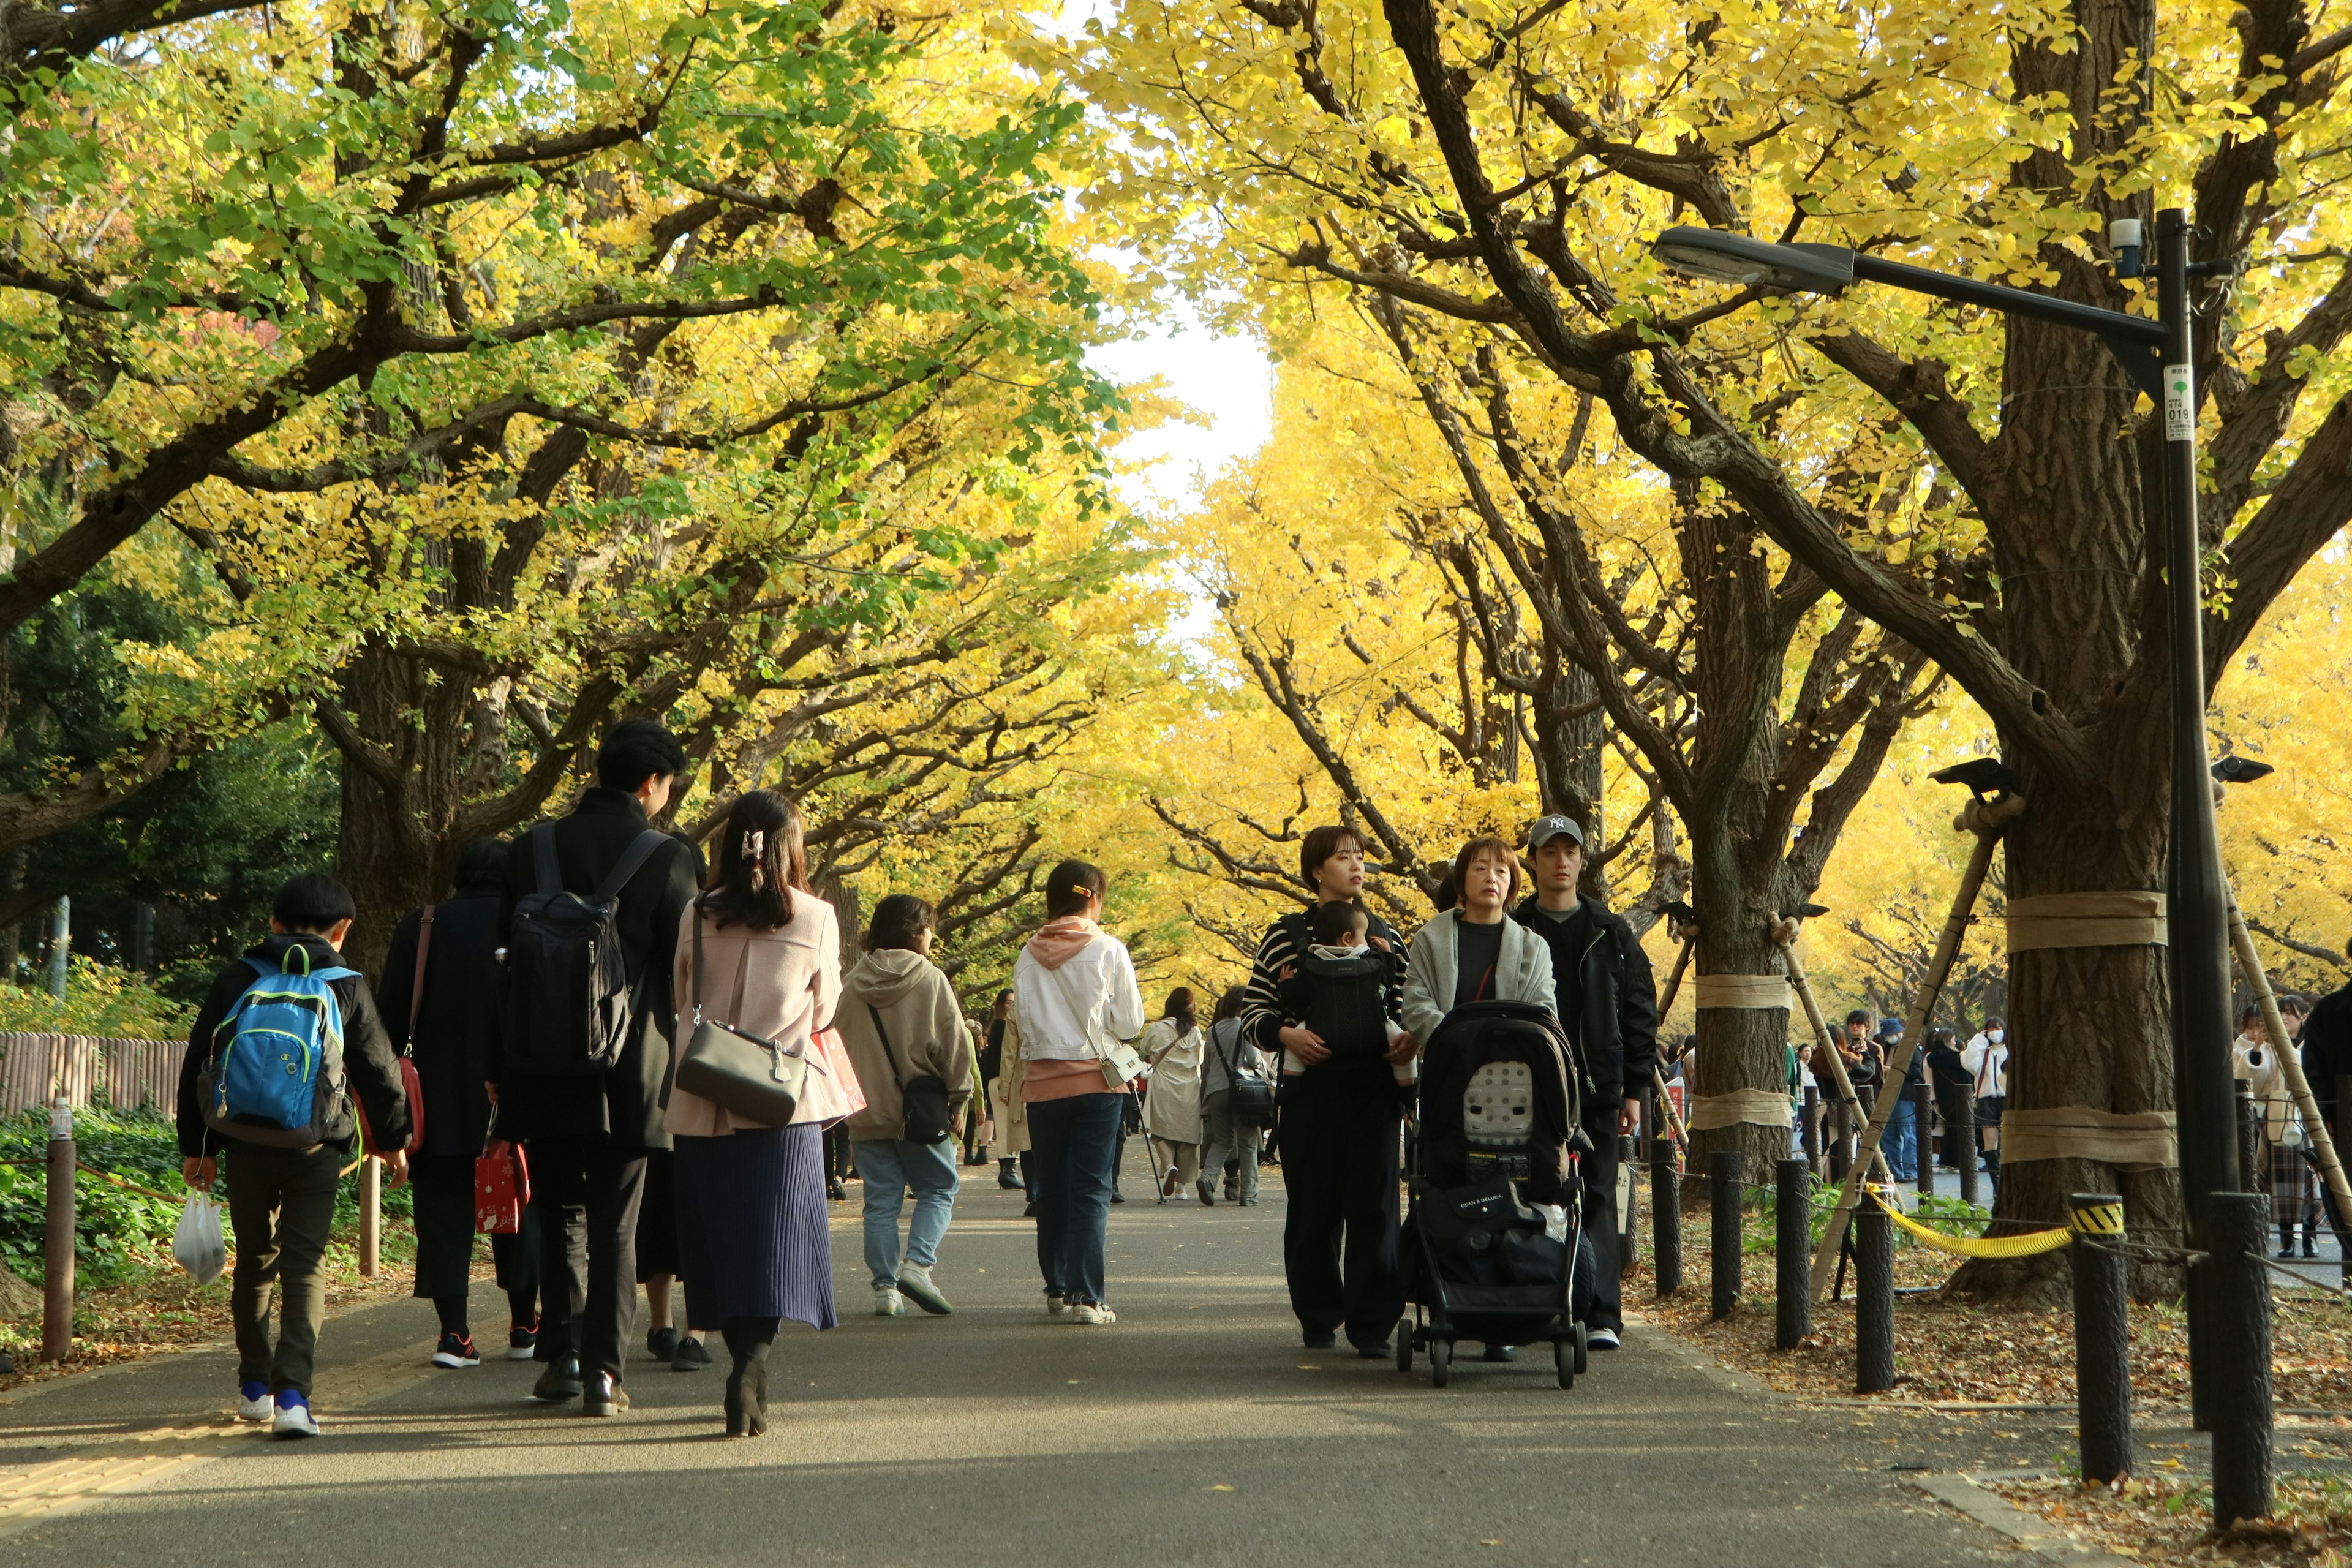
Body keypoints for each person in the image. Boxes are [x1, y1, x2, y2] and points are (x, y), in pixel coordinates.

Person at [491, 719, 701, 1417]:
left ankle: (560, 1354)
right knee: (618, 1221)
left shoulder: (531, 849)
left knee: (559, 1210)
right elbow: (683, 970)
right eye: (667, 786)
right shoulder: (668, 857)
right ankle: (605, 1374)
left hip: (542, 1060)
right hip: (630, 1066)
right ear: (651, 783)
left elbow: (506, 961)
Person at [177, 873, 413, 1439]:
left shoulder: (239, 976)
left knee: (255, 1259)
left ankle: (254, 1387)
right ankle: (292, 1399)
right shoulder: (346, 984)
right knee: (304, 1265)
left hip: (243, 1142)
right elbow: (379, 1072)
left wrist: (197, 1149)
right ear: (343, 929)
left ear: (274, 924)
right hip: (315, 1145)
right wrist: (394, 1141)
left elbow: (198, 1063)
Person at [666, 788, 850, 1437]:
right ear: (791, 847)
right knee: (773, 1242)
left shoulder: (696, 913)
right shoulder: (817, 917)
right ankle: (752, 1363)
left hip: (703, 1097)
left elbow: (681, 995)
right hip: (781, 1100)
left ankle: (737, 1352)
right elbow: (824, 1009)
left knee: (720, 1240)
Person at [1243, 825, 1414, 1356]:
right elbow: (1254, 1012)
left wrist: (1407, 1043)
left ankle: (1372, 1326)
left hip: (1374, 1090)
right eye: (1344, 858)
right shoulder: (1283, 934)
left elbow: (1410, 1003)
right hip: (1309, 1091)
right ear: (1318, 870)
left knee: (1377, 1210)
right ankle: (1317, 1316)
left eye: (1361, 858)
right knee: (1313, 1209)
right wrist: (1286, 1034)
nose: (1357, 867)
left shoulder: (1387, 934)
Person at [376, 838, 546, 1371]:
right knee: (518, 1210)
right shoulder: (528, 924)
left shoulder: (421, 927)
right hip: (515, 1098)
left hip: (440, 1100)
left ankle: (455, 1336)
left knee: (443, 1217)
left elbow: (390, 1021)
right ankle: (525, 1325)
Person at [1508, 813, 1657, 1355]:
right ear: (1534, 861)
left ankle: (1601, 1314)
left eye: (1570, 852)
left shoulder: (1611, 931)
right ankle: (1529, 1307)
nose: (1561, 861)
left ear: (1582, 861)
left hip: (1597, 1086)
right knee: (1526, 1192)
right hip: (1528, 1087)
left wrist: (1635, 1089)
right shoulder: (1515, 928)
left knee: (1597, 1197)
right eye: (1550, 852)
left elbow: (1639, 1010)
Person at [1016, 859, 1146, 1324]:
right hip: (1096, 1083)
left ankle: (1056, 1287)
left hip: (1043, 1086)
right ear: (1092, 897)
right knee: (1091, 1190)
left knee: (1049, 1187)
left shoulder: (1027, 955)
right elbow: (1129, 1023)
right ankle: (1087, 1297)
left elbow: (1023, 1022)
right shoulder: (1109, 949)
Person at [838, 892, 972, 1317]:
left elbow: (836, 1046)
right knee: (938, 1188)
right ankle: (917, 1266)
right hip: (921, 1111)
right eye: (929, 927)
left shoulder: (852, 984)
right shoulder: (929, 980)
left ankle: (884, 1290)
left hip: (867, 1110)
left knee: (880, 1201)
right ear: (916, 932)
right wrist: (960, 1096)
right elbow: (952, 1046)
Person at [1199, 986, 1270, 1206]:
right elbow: (1254, 1058)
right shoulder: (1246, 1026)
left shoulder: (1213, 1031)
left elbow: (1207, 1067)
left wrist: (1204, 1099)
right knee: (1248, 1143)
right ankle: (1248, 1193)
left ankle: (1207, 1179)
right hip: (1243, 1092)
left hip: (1217, 1091)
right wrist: (1269, 1075)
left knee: (1222, 1141)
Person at [1140, 989, 1207, 1199]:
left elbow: (1145, 1048)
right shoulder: (1195, 1032)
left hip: (1164, 1085)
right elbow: (1201, 1057)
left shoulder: (1157, 1029)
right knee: (1188, 1136)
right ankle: (1181, 1188)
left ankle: (1169, 1165)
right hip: (1189, 1087)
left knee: (1161, 1132)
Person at [979, 991, 1024, 1191]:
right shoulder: (1002, 1026)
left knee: (1008, 1125)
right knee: (1008, 1126)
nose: (1011, 1007)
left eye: (1014, 1003)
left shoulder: (999, 1026)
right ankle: (1008, 1170)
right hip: (1001, 1080)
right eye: (1008, 1003)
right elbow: (1007, 1057)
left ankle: (1008, 1170)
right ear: (1000, 1005)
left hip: (1001, 1080)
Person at [1961, 1017, 2008, 1183]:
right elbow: (1968, 1064)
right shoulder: (1983, 1052)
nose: (1995, 1032)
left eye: (1998, 1028)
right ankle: (1997, 1182)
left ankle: (2008, 1180)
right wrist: (1979, 1040)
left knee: (2009, 1143)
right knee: (1990, 1145)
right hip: (1986, 1101)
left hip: (2007, 1101)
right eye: (1990, 1029)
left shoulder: (2010, 1051)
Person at [1875, 1017, 1919, 1182]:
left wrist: (1894, 1070)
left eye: (1893, 1033)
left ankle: (1911, 1171)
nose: (1890, 1036)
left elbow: (1917, 1072)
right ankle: (1895, 1171)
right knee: (1888, 1136)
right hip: (1886, 1096)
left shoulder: (1911, 1048)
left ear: (1900, 1031)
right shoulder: (1884, 1048)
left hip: (1905, 1095)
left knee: (1908, 1134)